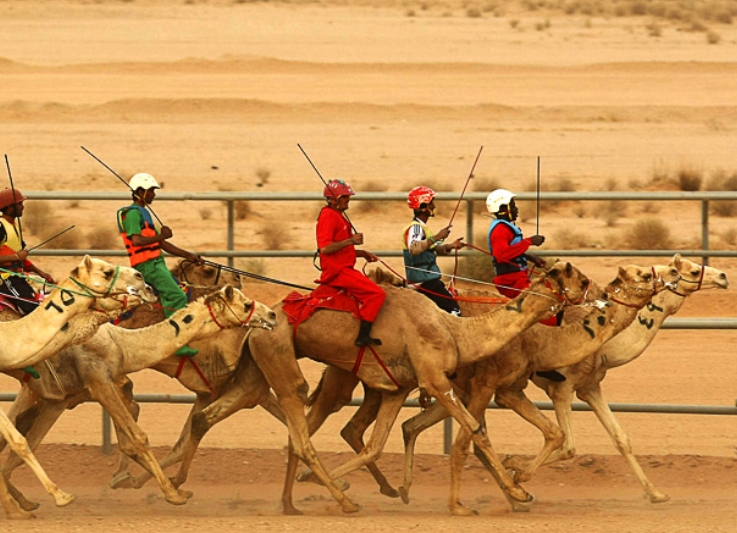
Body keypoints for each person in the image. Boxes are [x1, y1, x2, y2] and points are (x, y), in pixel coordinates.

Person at [116, 172, 203, 357]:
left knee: (178, 292)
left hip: (157, 262)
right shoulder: (132, 215)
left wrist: (189, 256)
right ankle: (177, 343)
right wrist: (162, 235)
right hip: (147, 265)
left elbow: (161, 244)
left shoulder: (144, 213)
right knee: (178, 297)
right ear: (140, 191)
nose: (154, 194)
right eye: (151, 191)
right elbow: (138, 240)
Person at [486, 188, 565, 382]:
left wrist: (530, 257)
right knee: (545, 309)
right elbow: (501, 254)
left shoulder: (505, 227)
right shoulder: (500, 229)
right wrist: (529, 242)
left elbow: (511, 250)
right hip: (510, 280)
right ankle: (541, 362)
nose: (516, 209)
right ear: (502, 208)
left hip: (518, 276)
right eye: (512, 205)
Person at [316, 179, 386, 346]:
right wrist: (351, 241)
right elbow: (325, 249)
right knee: (377, 294)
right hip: (338, 272)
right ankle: (363, 336)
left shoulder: (338, 216)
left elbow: (339, 249)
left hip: (343, 267)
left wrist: (361, 253)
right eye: (344, 197)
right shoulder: (328, 216)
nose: (348, 200)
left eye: (348, 196)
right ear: (333, 199)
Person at [403, 186, 463, 316]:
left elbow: (429, 249)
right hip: (425, 283)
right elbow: (414, 248)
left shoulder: (422, 228)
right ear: (423, 206)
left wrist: (450, 246)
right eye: (431, 203)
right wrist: (437, 237)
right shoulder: (415, 228)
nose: (434, 206)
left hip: (428, 281)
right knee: (454, 311)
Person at [0, 188, 56, 317]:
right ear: (8, 208)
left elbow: (20, 259)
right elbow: (16, 257)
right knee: (30, 309)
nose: (22, 207)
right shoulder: (1, 227)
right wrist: (15, 256)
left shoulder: (14, 227)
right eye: (19, 204)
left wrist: (40, 272)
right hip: (4, 279)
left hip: (17, 276)